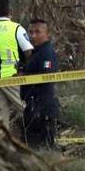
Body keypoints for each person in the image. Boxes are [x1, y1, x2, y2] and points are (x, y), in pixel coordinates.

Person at [20, 19, 60, 149]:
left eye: (37, 32)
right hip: (33, 106)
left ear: (46, 34)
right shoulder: (36, 52)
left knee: (43, 147)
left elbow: (45, 77)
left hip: (42, 107)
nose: (33, 36)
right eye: (30, 32)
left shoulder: (46, 53)